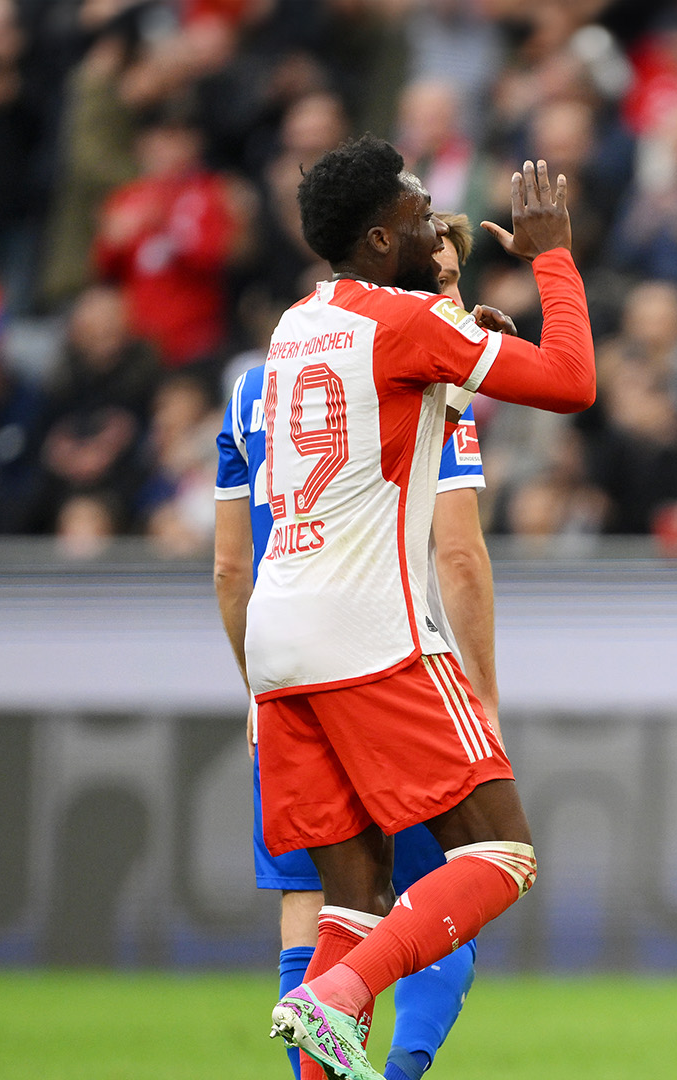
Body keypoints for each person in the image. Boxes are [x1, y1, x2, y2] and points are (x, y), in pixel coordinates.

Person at [249, 136, 594, 1080]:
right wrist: (553, 254)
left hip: (278, 640)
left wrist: (458, 343)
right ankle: (337, 997)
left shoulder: (294, 326)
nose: (436, 222)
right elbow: (572, 383)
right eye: (416, 214)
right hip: (372, 632)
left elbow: (384, 407)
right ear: (374, 238)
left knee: (352, 897)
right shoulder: (405, 323)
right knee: (502, 853)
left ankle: (329, 1009)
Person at [213, 212, 500, 1080]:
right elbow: (459, 554)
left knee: (318, 902)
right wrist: (483, 691)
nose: (455, 299)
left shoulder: (256, 381)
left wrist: (260, 697)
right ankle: (403, 1071)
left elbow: (231, 570)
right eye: (443, 281)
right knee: (463, 876)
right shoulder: (418, 377)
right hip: (384, 660)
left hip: (283, 666)